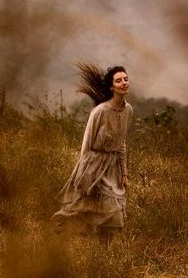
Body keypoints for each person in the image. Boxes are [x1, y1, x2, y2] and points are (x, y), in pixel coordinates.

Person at [53, 63, 133, 245]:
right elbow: (86, 146)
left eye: (126, 79)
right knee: (83, 206)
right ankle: (60, 231)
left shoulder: (128, 110)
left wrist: (124, 173)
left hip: (112, 167)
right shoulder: (100, 111)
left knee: (113, 211)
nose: (124, 83)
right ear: (112, 87)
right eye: (118, 80)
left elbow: (122, 144)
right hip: (93, 164)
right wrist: (83, 173)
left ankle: (102, 251)